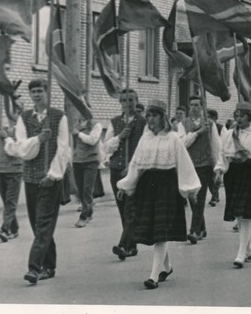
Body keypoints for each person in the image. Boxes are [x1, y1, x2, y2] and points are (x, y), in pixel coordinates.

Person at [116, 100, 200, 289]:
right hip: (147, 186)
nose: (150, 119)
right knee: (156, 229)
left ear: (162, 117)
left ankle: (153, 275)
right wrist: (126, 186)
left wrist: (190, 190)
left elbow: (184, 164)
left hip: (167, 186)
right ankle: (167, 266)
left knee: (161, 229)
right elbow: (136, 164)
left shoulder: (173, 139)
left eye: (154, 115)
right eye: (148, 116)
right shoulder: (145, 139)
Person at [3, 79, 71, 285]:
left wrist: (53, 174)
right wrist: (38, 140)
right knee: (37, 224)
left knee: (43, 224)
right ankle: (50, 265)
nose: (36, 95)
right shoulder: (24, 118)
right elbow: (23, 150)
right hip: (31, 178)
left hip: (51, 179)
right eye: (33, 92)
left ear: (47, 92)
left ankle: (35, 267)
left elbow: (63, 148)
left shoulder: (59, 117)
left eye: (40, 91)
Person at [214, 102, 251, 268]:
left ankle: (240, 254)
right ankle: (248, 248)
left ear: (249, 117)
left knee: (245, 214)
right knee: (239, 212)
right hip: (233, 174)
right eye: (237, 115)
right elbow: (222, 154)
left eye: (242, 116)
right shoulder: (228, 135)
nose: (239, 119)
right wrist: (220, 171)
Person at [102, 88, 146, 260]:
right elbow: (106, 147)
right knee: (123, 208)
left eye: (131, 100)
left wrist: (133, 165)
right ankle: (131, 245)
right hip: (116, 170)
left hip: (134, 170)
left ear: (136, 101)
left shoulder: (143, 122)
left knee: (131, 208)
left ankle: (123, 245)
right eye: (124, 100)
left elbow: (145, 147)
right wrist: (120, 136)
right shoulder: (114, 122)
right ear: (120, 103)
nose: (128, 104)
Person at [179, 95, 220, 243]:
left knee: (199, 198)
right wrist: (197, 133)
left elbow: (216, 146)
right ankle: (202, 228)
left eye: (197, 105)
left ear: (202, 107)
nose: (194, 108)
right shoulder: (182, 124)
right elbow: (182, 143)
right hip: (188, 165)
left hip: (204, 165)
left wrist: (217, 168)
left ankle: (194, 231)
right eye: (192, 105)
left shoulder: (210, 124)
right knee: (191, 197)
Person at [0, 118, 23, 242]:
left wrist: (6, 138)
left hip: (14, 170)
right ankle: (14, 228)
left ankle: (5, 229)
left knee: (10, 201)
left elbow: (16, 151)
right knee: (6, 201)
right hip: (0, 169)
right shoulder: (1, 129)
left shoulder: (22, 130)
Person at [71, 116, 103, 228]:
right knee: (79, 190)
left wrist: (78, 133)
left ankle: (84, 216)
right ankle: (89, 212)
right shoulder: (75, 125)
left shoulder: (96, 125)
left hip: (91, 161)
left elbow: (92, 140)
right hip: (77, 161)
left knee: (87, 190)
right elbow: (72, 144)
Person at [206, 109, 223, 206]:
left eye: (209, 117)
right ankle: (215, 195)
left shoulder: (221, 128)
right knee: (210, 179)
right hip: (209, 155)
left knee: (216, 178)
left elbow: (223, 142)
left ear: (214, 118)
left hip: (218, 155)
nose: (208, 119)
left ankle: (214, 197)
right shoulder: (207, 127)